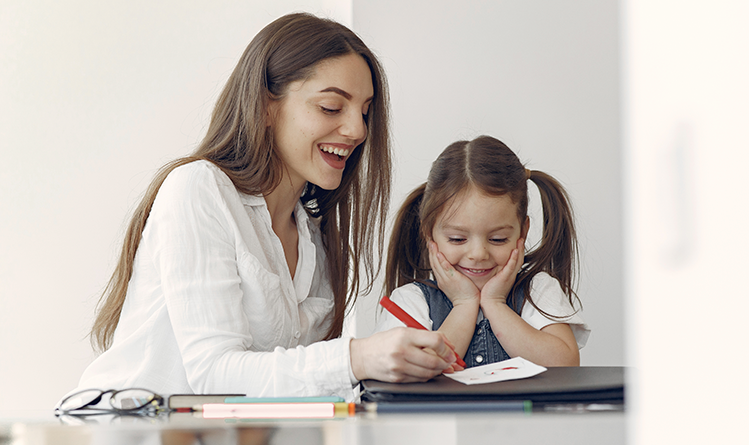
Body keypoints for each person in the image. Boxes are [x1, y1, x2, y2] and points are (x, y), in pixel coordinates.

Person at [68, 13, 460, 402]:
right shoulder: (200, 189)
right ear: (267, 107)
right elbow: (214, 374)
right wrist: (357, 358)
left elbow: (290, 385)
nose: (357, 130)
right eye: (330, 107)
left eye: (364, 112)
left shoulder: (314, 236)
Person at [376, 136, 590, 368]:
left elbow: (565, 365)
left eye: (497, 239)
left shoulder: (537, 290)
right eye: (457, 239)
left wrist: (495, 304)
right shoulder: (411, 301)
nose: (478, 254)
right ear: (429, 233)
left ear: (522, 232)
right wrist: (464, 304)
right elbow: (412, 369)